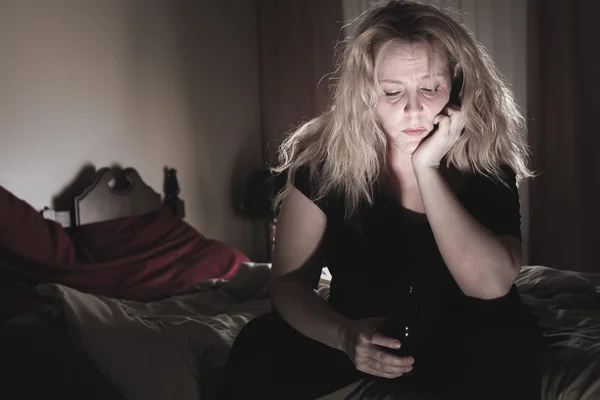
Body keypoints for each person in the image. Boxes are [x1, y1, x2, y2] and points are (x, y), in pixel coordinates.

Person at [221, 1, 545, 399]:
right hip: (359, 333)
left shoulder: (485, 159)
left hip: (466, 338)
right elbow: (288, 284)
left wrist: (426, 168)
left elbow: (491, 285)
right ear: (366, 93)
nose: (413, 109)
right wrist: (343, 335)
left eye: (430, 88)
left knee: (504, 348)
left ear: (456, 87)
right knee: (259, 344)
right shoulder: (325, 161)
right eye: (392, 92)